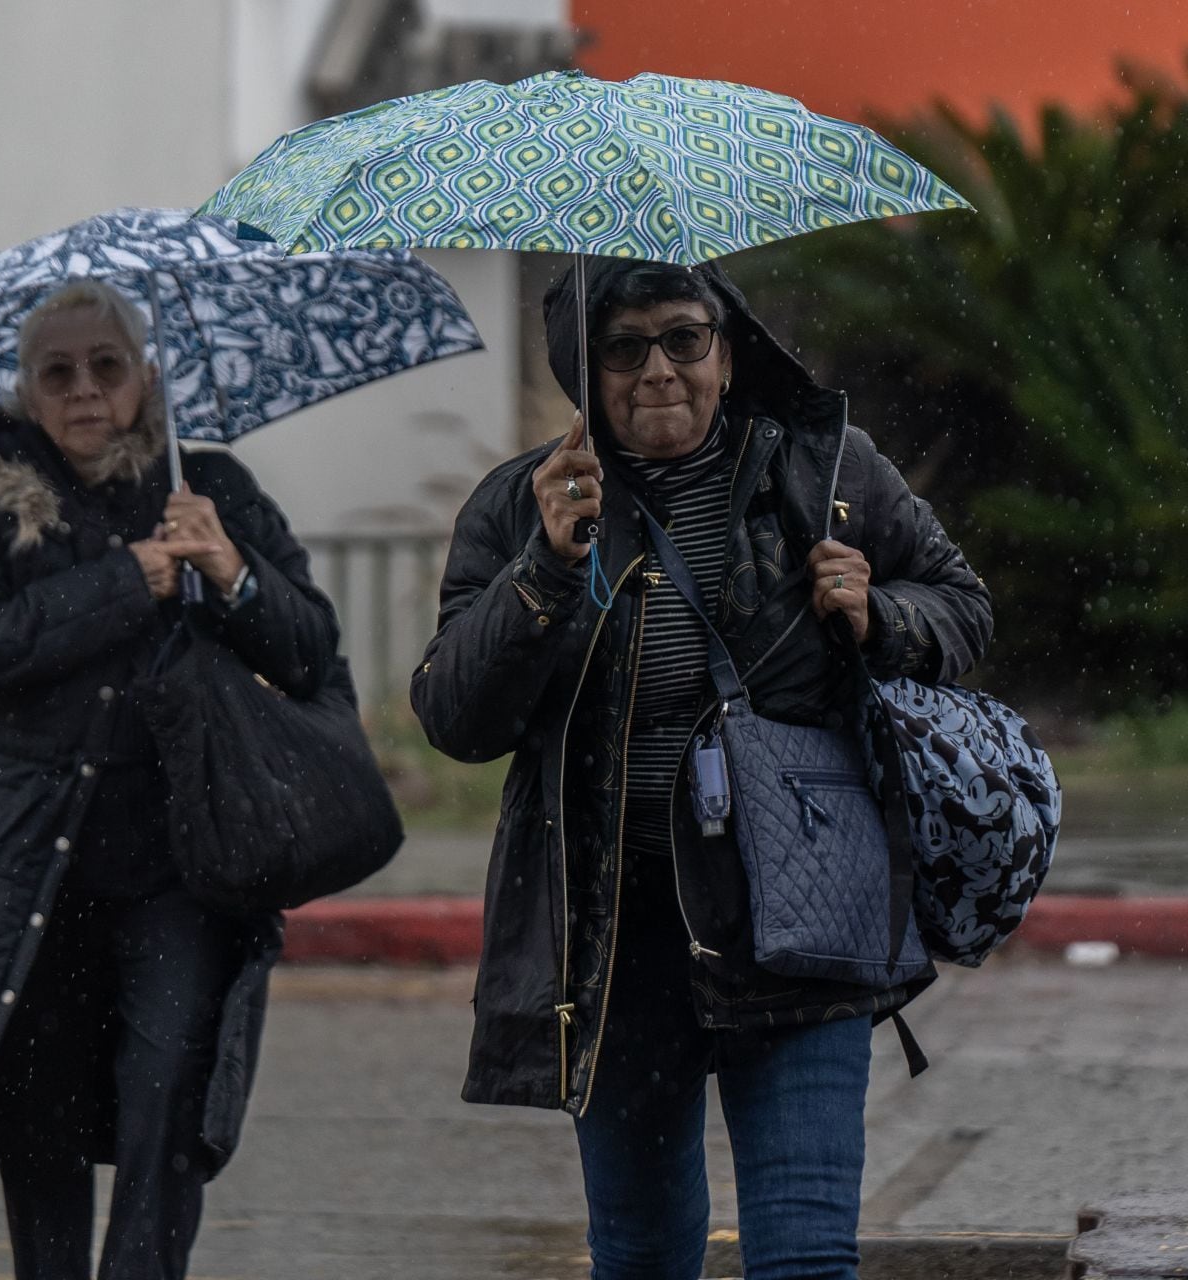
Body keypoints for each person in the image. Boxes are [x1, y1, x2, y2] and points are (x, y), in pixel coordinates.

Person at [411, 259, 993, 1280]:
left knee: (806, 1258)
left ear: (726, 349)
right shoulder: (522, 504)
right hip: (615, 934)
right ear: (582, 371)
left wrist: (879, 614)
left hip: (798, 915)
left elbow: (961, 602)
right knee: (639, 1256)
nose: (659, 371)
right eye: (625, 348)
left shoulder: (826, 471)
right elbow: (456, 716)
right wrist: (544, 568)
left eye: (684, 338)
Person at [0, 279, 340, 1280]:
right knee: (43, 1120)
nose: (83, 389)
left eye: (105, 365)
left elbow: (310, 646)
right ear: (25, 388)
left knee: (169, 1097)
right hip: (28, 865)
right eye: (55, 371)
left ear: (146, 375)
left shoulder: (213, 486)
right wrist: (132, 579)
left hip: (181, 867)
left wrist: (230, 571)